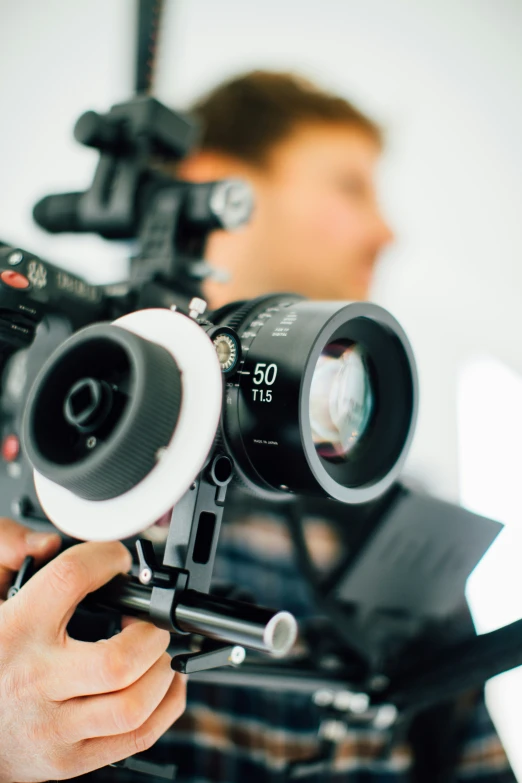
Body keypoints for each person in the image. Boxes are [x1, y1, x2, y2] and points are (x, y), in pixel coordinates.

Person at [0, 71, 513, 783]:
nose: (385, 228)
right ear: (216, 184)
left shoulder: (381, 507)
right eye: (349, 185)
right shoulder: (29, 452)